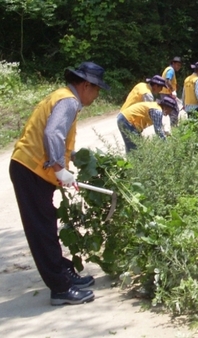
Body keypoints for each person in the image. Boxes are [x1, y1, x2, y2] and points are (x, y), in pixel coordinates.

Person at [9, 61, 110, 305]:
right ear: (86, 85)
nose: (97, 96)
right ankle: (60, 288)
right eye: (97, 90)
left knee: (47, 223)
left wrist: (73, 157)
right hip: (29, 169)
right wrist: (60, 169)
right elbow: (52, 133)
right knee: (42, 230)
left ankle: (63, 271)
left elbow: (58, 136)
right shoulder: (69, 101)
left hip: (33, 171)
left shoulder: (63, 97)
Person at [160, 56, 183, 127]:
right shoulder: (171, 70)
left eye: (180, 65)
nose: (178, 67)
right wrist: (173, 90)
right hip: (167, 94)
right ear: (173, 63)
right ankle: (173, 127)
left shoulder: (168, 69)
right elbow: (167, 80)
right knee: (174, 111)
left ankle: (165, 126)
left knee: (166, 111)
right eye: (177, 65)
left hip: (164, 93)